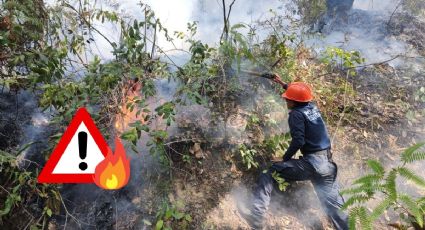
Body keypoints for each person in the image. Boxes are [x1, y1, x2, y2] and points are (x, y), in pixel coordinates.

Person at [238, 74, 349, 230]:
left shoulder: (296, 115)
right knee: (335, 208)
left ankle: (256, 218)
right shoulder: (312, 107)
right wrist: (283, 84)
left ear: (294, 102)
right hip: (327, 165)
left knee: (269, 172)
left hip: (311, 165)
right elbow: (302, 96)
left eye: (287, 98)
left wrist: (284, 158)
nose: (285, 100)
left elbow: (298, 141)